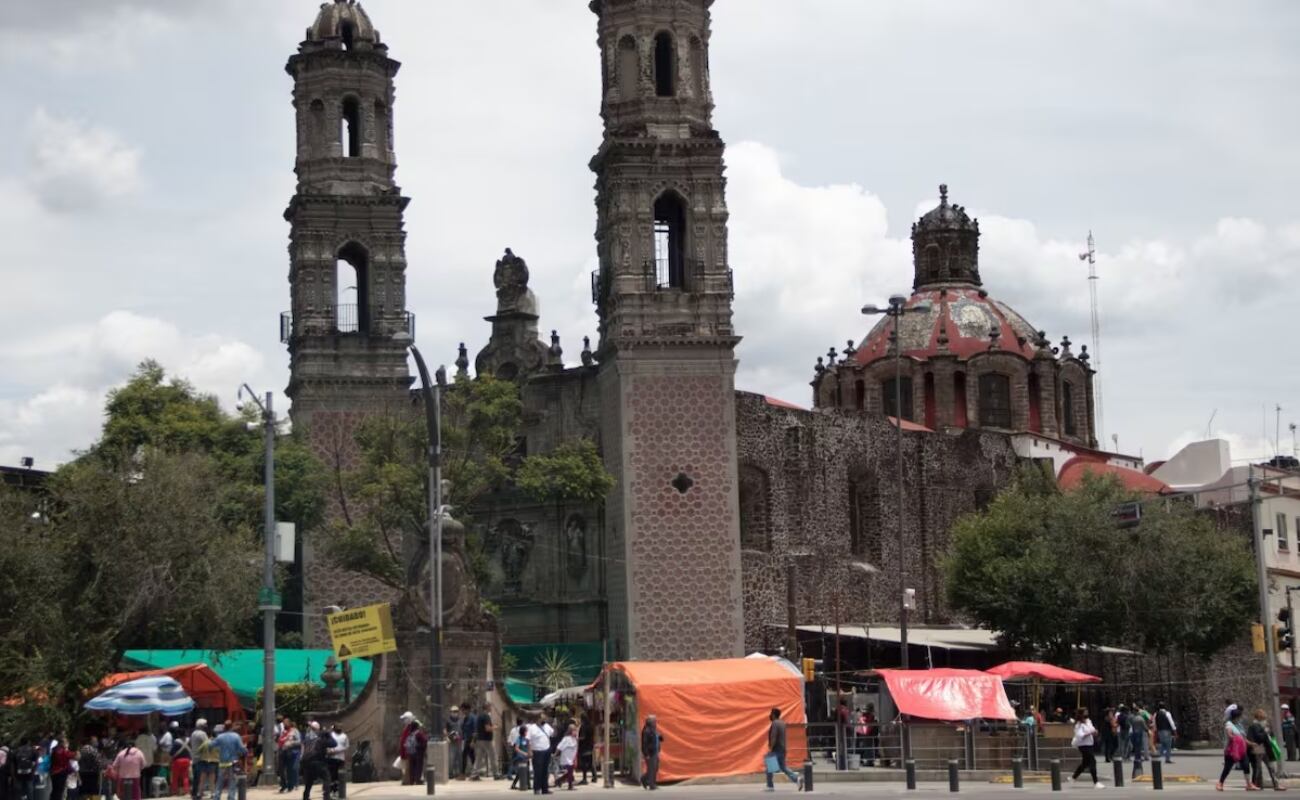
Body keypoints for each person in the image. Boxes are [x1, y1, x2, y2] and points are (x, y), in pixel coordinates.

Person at [1220, 706, 1256, 791]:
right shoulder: (1229, 724)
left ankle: (1248, 784)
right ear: (1236, 717)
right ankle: (1220, 783)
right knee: (1227, 768)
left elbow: (1243, 737)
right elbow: (1229, 734)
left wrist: (1251, 744)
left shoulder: (1239, 725)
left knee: (1246, 765)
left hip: (1241, 749)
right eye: (1239, 717)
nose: (1241, 718)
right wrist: (1235, 737)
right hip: (1232, 750)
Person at [1246, 709, 1283, 791]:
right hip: (1257, 749)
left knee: (1271, 767)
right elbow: (1259, 738)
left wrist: (1268, 731)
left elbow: (1270, 735)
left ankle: (1276, 784)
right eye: (1262, 719)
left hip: (1266, 749)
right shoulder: (1254, 726)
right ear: (1258, 719)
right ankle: (1257, 784)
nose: (1264, 721)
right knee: (1258, 768)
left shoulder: (1263, 726)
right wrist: (1265, 732)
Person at [765, 708, 800, 792]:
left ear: (773, 715)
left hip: (776, 749)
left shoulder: (775, 723)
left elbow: (774, 736)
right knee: (783, 767)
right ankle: (796, 779)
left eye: (771, 714)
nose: (770, 715)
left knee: (769, 767)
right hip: (782, 748)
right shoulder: (782, 723)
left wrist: (771, 748)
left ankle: (770, 786)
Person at [1068, 709, 1104, 788]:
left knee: (1085, 763)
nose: (1087, 714)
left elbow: (1092, 729)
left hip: (1089, 744)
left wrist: (1094, 732)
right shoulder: (1078, 725)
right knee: (1092, 761)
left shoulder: (1088, 722)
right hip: (1083, 745)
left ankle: (1073, 777)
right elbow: (1080, 735)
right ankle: (1096, 782)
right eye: (1085, 713)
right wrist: (1090, 733)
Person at [299, 722, 334, 800]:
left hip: (307, 762)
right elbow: (333, 743)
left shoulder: (307, 738)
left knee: (309, 781)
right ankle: (326, 796)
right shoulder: (320, 739)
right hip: (318, 762)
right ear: (317, 729)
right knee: (326, 778)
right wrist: (328, 734)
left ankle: (305, 796)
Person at [210, 726, 245, 800]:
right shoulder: (236, 736)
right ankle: (231, 797)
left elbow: (211, 745)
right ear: (231, 727)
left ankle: (216, 797)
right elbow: (242, 748)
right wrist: (244, 752)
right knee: (232, 781)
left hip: (222, 763)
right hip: (233, 762)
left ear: (224, 729)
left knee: (220, 781)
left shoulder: (220, 737)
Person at [524, 715, 553, 796]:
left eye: (545, 718)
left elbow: (553, 734)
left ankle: (545, 789)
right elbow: (527, 739)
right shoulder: (532, 728)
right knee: (538, 771)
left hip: (546, 750)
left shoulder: (547, 726)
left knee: (545, 770)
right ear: (538, 719)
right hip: (537, 751)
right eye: (543, 718)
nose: (544, 720)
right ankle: (537, 788)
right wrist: (529, 751)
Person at [188, 721, 213, 800]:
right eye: (205, 725)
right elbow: (207, 744)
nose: (206, 726)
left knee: (196, 777)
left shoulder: (193, 733)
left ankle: (194, 793)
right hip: (201, 758)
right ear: (201, 725)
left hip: (194, 757)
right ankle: (198, 793)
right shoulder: (202, 734)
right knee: (201, 777)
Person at [473, 707, 497, 780]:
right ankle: (496, 774)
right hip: (486, 740)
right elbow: (487, 729)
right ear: (488, 707)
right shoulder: (486, 716)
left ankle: (474, 774)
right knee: (492, 756)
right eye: (490, 707)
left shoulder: (479, 716)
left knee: (479, 758)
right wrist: (494, 727)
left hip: (480, 740)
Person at [400, 721, 426, 787]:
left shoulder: (410, 733)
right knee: (418, 767)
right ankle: (418, 780)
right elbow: (424, 740)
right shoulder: (418, 733)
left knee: (412, 767)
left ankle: (412, 780)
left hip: (410, 753)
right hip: (418, 752)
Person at [1129, 704, 1151, 779]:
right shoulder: (1140, 718)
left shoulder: (1132, 718)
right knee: (1139, 746)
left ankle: (1136, 756)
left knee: (1136, 745)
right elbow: (1144, 726)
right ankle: (1138, 757)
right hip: (1139, 733)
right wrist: (1148, 731)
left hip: (1133, 733)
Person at [279, 721, 302, 793]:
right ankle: (283, 785)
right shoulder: (283, 732)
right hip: (282, 752)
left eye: (286, 723)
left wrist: (291, 743)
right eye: (284, 723)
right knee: (281, 770)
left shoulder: (295, 731)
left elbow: (299, 741)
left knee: (291, 769)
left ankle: (291, 786)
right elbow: (280, 740)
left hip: (291, 753)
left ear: (290, 724)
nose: (285, 724)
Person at [640, 716, 661, 791]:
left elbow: (657, 738)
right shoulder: (646, 731)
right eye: (654, 721)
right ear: (650, 722)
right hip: (650, 753)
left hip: (655, 751)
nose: (655, 722)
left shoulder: (654, 729)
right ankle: (652, 785)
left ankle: (644, 779)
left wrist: (660, 737)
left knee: (655, 768)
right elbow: (644, 743)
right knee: (652, 769)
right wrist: (646, 754)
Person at [325, 726, 347, 797]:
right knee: (332, 775)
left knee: (339, 776)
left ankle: (337, 790)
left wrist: (338, 750)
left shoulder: (344, 736)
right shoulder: (331, 735)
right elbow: (327, 745)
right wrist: (330, 751)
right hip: (332, 758)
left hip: (340, 758)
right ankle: (332, 790)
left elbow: (346, 746)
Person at [131, 732, 154, 800]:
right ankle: (149, 793)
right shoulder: (150, 739)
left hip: (141, 762)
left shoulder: (138, 739)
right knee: (149, 778)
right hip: (150, 761)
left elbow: (136, 749)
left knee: (140, 779)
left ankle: (141, 794)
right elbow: (155, 748)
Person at [555, 725, 578, 792]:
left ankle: (559, 780)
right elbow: (559, 747)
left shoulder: (575, 739)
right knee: (570, 771)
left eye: (576, 730)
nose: (575, 732)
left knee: (570, 772)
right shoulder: (566, 739)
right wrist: (556, 754)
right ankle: (570, 785)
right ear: (570, 731)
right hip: (566, 757)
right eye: (574, 730)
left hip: (572, 757)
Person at [168, 731, 190, 798]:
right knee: (185, 776)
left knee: (175, 777)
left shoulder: (176, 742)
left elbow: (171, 753)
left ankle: (174, 791)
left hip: (178, 761)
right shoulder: (189, 741)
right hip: (187, 760)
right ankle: (186, 791)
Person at [443, 708, 463, 780]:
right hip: (451, 742)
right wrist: (446, 737)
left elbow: (462, 729)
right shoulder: (448, 720)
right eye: (453, 712)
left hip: (459, 741)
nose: (455, 713)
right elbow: (445, 730)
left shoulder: (461, 720)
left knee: (459, 758)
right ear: (450, 712)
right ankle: (450, 773)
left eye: (456, 711)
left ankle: (459, 773)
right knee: (451, 758)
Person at [508, 725, 529, 791]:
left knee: (523, 772)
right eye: (526, 731)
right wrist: (523, 753)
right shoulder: (519, 739)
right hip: (520, 757)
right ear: (523, 732)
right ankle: (526, 785)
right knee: (523, 771)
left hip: (525, 757)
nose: (527, 732)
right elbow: (516, 748)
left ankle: (518, 785)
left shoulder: (526, 739)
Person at [458, 707, 477, 781]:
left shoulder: (473, 718)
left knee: (464, 756)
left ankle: (463, 774)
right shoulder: (465, 718)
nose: (462, 711)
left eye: (463, 710)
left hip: (470, 740)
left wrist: (473, 741)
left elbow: (475, 731)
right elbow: (463, 729)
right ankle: (475, 773)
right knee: (472, 757)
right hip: (466, 740)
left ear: (467, 709)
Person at [577, 715, 595, 786]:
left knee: (584, 763)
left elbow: (583, 737)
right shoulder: (591, 726)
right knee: (590, 762)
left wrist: (577, 738)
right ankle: (594, 776)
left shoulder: (583, 726)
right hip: (590, 746)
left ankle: (584, 779)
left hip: (584, 747)